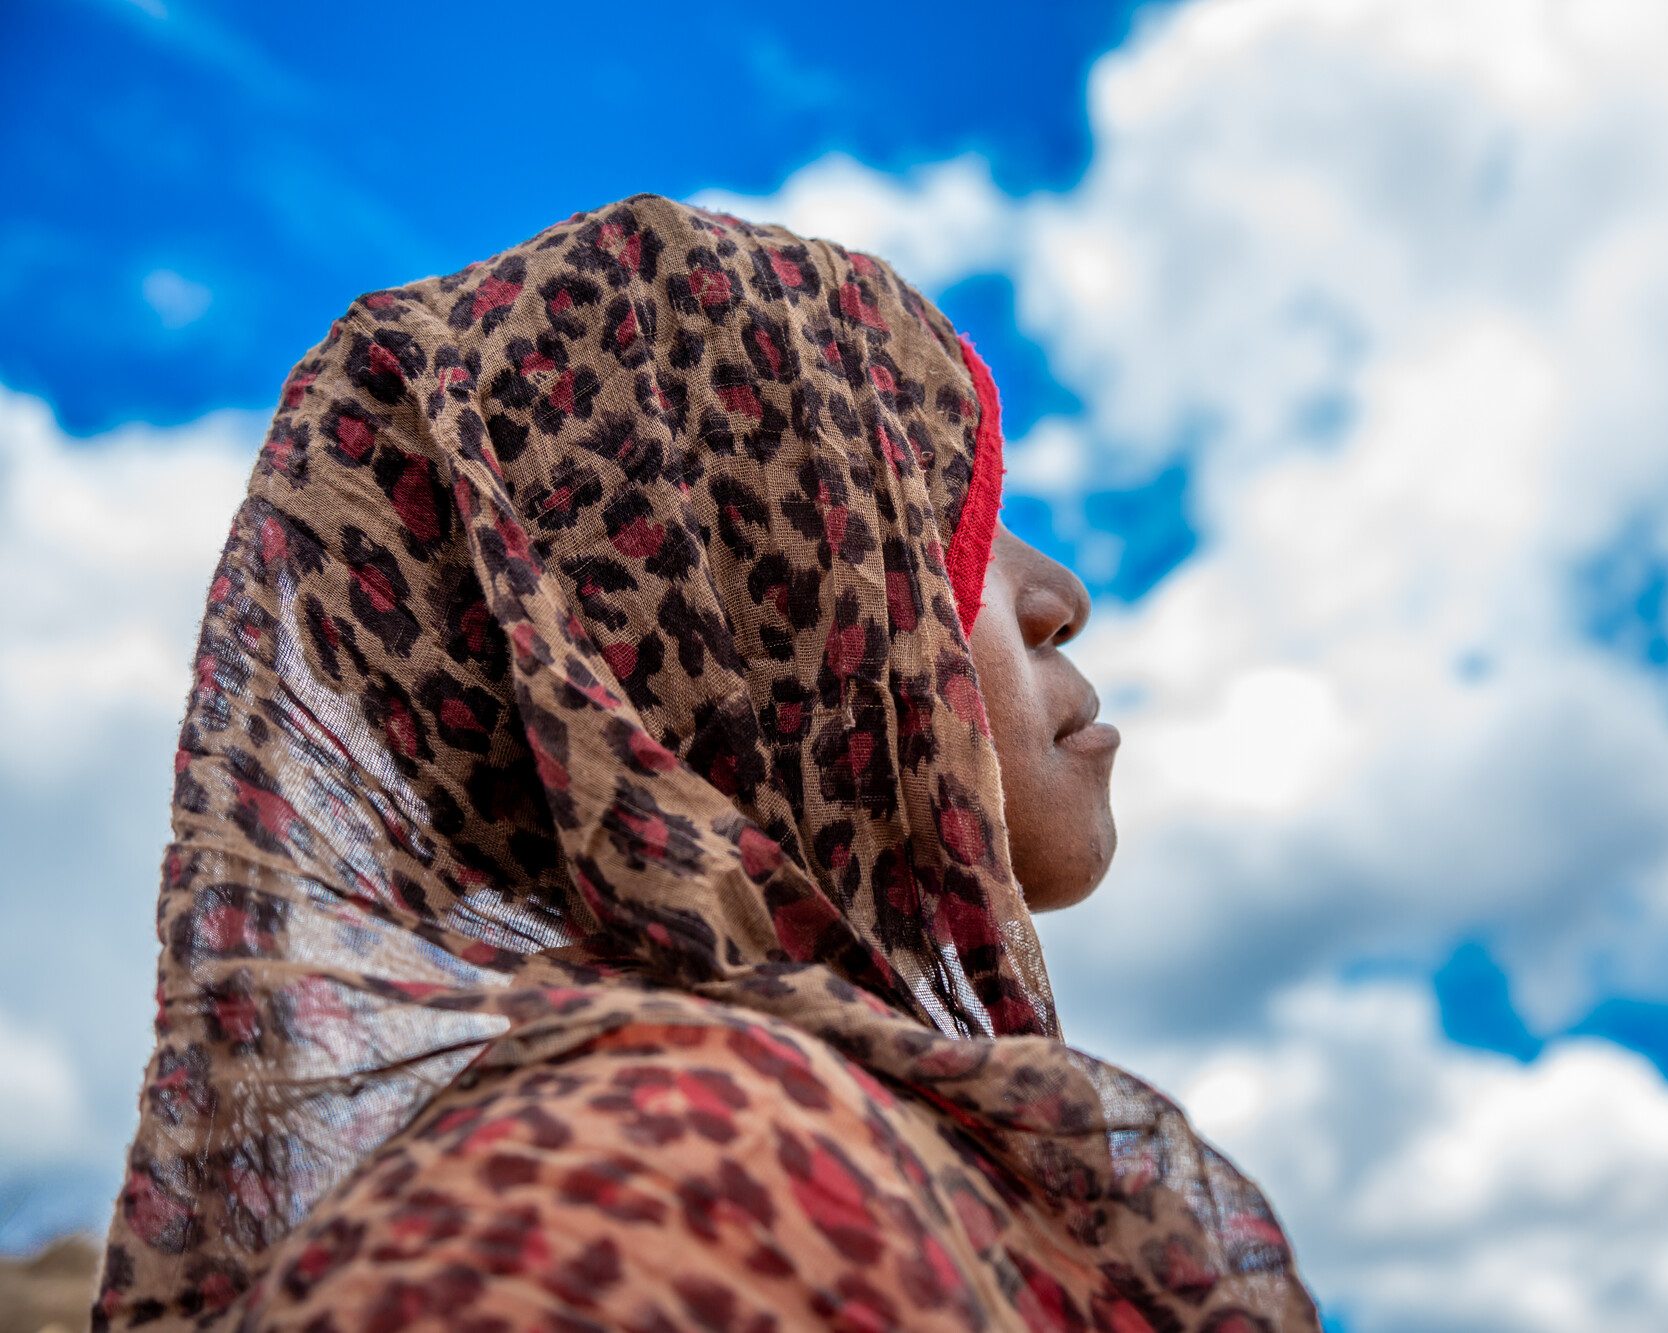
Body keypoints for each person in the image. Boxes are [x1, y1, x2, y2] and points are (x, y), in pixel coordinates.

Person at [94, 193, 1316, 1330]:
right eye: (948, 511)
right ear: (750, 620)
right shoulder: (652, 1192)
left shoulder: (743, 1147)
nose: (1060, 594)